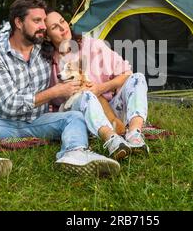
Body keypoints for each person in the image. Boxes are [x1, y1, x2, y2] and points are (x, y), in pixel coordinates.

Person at [0, 0, 120, 179]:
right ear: (18, 22)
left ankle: (75, 154)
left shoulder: (45, 50)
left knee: (75, 117)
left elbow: (72, 59)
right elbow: (9, 104)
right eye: (37, 21)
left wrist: (86, 82)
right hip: (3, 123)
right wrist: (55, 91)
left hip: (39, 122)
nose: (43, 26)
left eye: (43, 21)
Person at [42, 10, 149, 161]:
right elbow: (50, 102)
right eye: (54, 27)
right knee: (86, 95)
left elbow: (126, 74)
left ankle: (134, 134)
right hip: (81, 116)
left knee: (138, 78)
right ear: (46, 36)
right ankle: (111, 140)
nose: (62, 27)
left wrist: (101, 88)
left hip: (111, 109)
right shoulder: (47, 62)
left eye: (62, 21)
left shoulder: (93, 46)